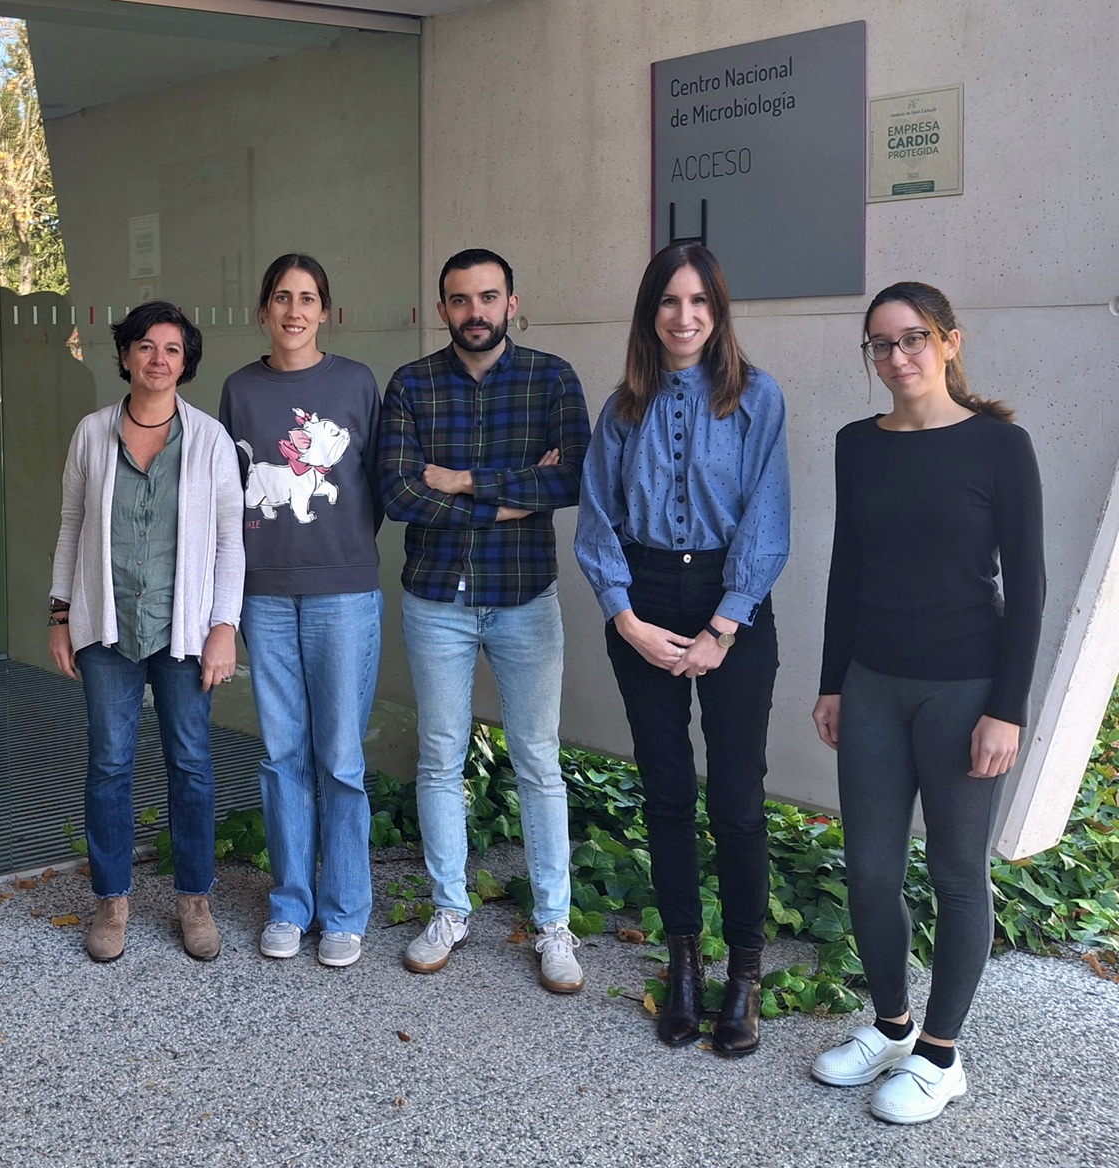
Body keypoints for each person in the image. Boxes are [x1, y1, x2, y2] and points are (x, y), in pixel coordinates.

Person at [808, 282, 1044, 1123]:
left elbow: (1029, 583)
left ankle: (941, 1057)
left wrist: (1007, 709)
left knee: (955, 873)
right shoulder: (857, 444)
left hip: (965, 690)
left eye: (912, 338)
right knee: (871, 872)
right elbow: (847, 567)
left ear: (949, 342)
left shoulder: (999, 446)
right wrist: (833, 681)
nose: (896, 356)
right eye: (880, 343)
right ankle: (892, 1028)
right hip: (873, 684)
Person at [575, 240, 790, 1055]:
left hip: (732, 600)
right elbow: (598, 520)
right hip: (645, 599)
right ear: (650, 312)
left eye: (700, 301)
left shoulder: (756, 398)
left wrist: (724, 626)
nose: (685, 316)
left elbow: (768, 516)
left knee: (736, 798)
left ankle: (745, 975)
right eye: (670, 300)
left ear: (718, 311)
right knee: (666, 792)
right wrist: (626, 618)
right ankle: (685, 967)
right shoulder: (622, 407)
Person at [379, 248, 589, 992]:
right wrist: (509, 499)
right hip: (436, 598)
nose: (476, 312)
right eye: (461, 300)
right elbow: (399, 493)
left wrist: (464, 480)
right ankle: (449, 910)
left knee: (538, 761)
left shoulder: (551, 377)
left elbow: (572, 478)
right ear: (443, 308)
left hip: (525, 597)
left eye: (488, 297)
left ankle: (554, 926)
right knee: (440, 758)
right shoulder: (411, 384)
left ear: (511, 303)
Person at [50, 301, 245, 963]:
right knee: (109, 765)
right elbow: (72, 525)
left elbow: (230, 541)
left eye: (172, 349)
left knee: (191, 765)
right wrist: (60, 614)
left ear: (186, 362)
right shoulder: (91, 433)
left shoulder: (210, 439)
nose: (158, 359)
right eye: (146, 346)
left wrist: (224, 627)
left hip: (184, 632)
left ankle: (194, 899)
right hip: (107, 628)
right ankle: (112, 901)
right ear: (126, 355)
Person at [218, 254, 383, 968]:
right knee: (282, 755)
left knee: (340, 758)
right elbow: (229, 492)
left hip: (343, 593)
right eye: (282, 298)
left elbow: (375, 484)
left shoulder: (356, 383)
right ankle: (290, 904)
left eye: (307, 298)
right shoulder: (240, 389)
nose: (294, 310)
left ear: (326, 311)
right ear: (264, 310)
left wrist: (337, 551)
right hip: (264, 596)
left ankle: (345, 912)